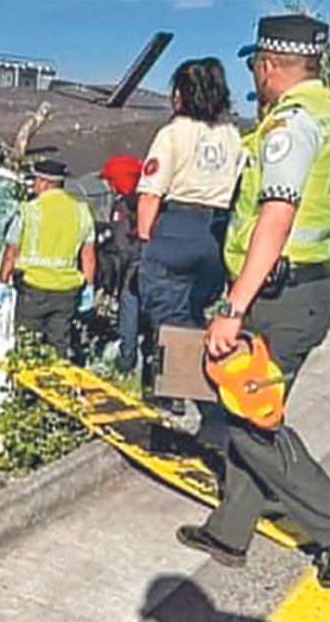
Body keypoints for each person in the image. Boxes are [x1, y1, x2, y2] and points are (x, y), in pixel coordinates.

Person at [178, 14, 330, 589]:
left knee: (250, 419)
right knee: (248, 409)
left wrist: (233, 308)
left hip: (281, 293)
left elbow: (277, 215)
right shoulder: (329, 115)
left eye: (255, 66)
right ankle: (230, 528)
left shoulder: (291, 125)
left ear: (269, 66)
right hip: (302, 283)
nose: (254, 76)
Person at [135, 59, 244, 443]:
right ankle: (205, 386)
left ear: (180, 95)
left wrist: (145, 244)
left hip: (177, 226)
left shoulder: (173, 134)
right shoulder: (232, 135)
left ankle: (176, 398)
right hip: (216, 232)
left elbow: (150, 195)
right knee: (194, 312)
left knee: (167, 314)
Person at [0, 159, 97, 357]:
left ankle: (26, 388)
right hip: (66, 292)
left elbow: (11, 252)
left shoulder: (29, 210)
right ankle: (54, 385)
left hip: (33, 288)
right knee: (58, 347)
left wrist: (2, 282)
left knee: (27, 347)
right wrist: (89, 287)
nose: (34, 185)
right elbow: (88, 256)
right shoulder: (81, 211)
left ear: (44, 182)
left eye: (35, 180)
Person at [96, 154, 144, 374]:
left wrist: (111, 280)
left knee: (129, 310)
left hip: (132, 269)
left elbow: (121, 245)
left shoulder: (124, 205)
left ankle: (126, 363)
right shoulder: (150, 198)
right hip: (153, 265)